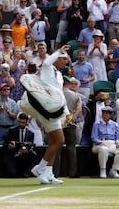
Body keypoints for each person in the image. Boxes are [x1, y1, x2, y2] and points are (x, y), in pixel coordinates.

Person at [30, 45, 71, 185]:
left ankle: (48, 173)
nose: (65, 61)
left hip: (56, 110)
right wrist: (58, 51)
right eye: (63, 58)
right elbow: (47, 62)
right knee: (60, 141)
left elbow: (60, 94)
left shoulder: (59, 74)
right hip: (47, 110)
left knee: (54, 143)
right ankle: (40, 168)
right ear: (57, 58)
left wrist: (66, 112)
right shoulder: (46, 68)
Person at [91, 106, 119, 178]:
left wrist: (118, 143)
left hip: (112, 143)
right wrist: (99, 142)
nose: (104, 114)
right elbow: (94, 137)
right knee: (103, 149)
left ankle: (114, 170)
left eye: (106, 113)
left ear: (110, 115)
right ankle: (103, 170)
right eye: (103, 113)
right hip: (99, 144)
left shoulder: (115, 124)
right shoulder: (97, 124)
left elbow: (118, 136)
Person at [2, 112, 36, 177]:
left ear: (27, 122)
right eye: (19, 122)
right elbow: (5, 143)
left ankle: (25, 170)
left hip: (24, 155)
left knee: (33, 154)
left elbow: (31, 145)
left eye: (23, 122)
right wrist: (9, 145)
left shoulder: (31, 133)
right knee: (12, 174)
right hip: (13, 154)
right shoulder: (12, 130)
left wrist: (27, 150)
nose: (21, 124)